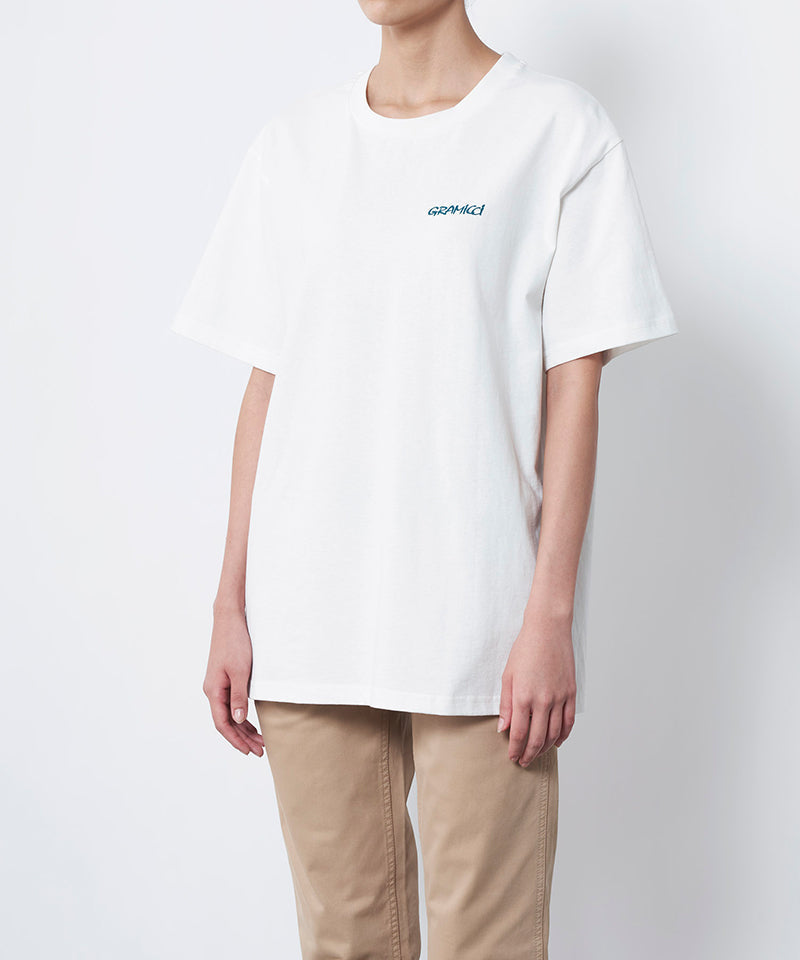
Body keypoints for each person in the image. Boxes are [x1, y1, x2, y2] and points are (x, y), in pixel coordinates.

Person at [170, 2, 678, 957]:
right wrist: (228, 604)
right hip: (307, 622)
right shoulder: (294, 146)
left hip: (481, 629)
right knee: (344, 945)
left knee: (490, 944)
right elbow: (267, 385)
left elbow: (575, 384)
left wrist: (550, 617)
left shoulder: (556, 130)